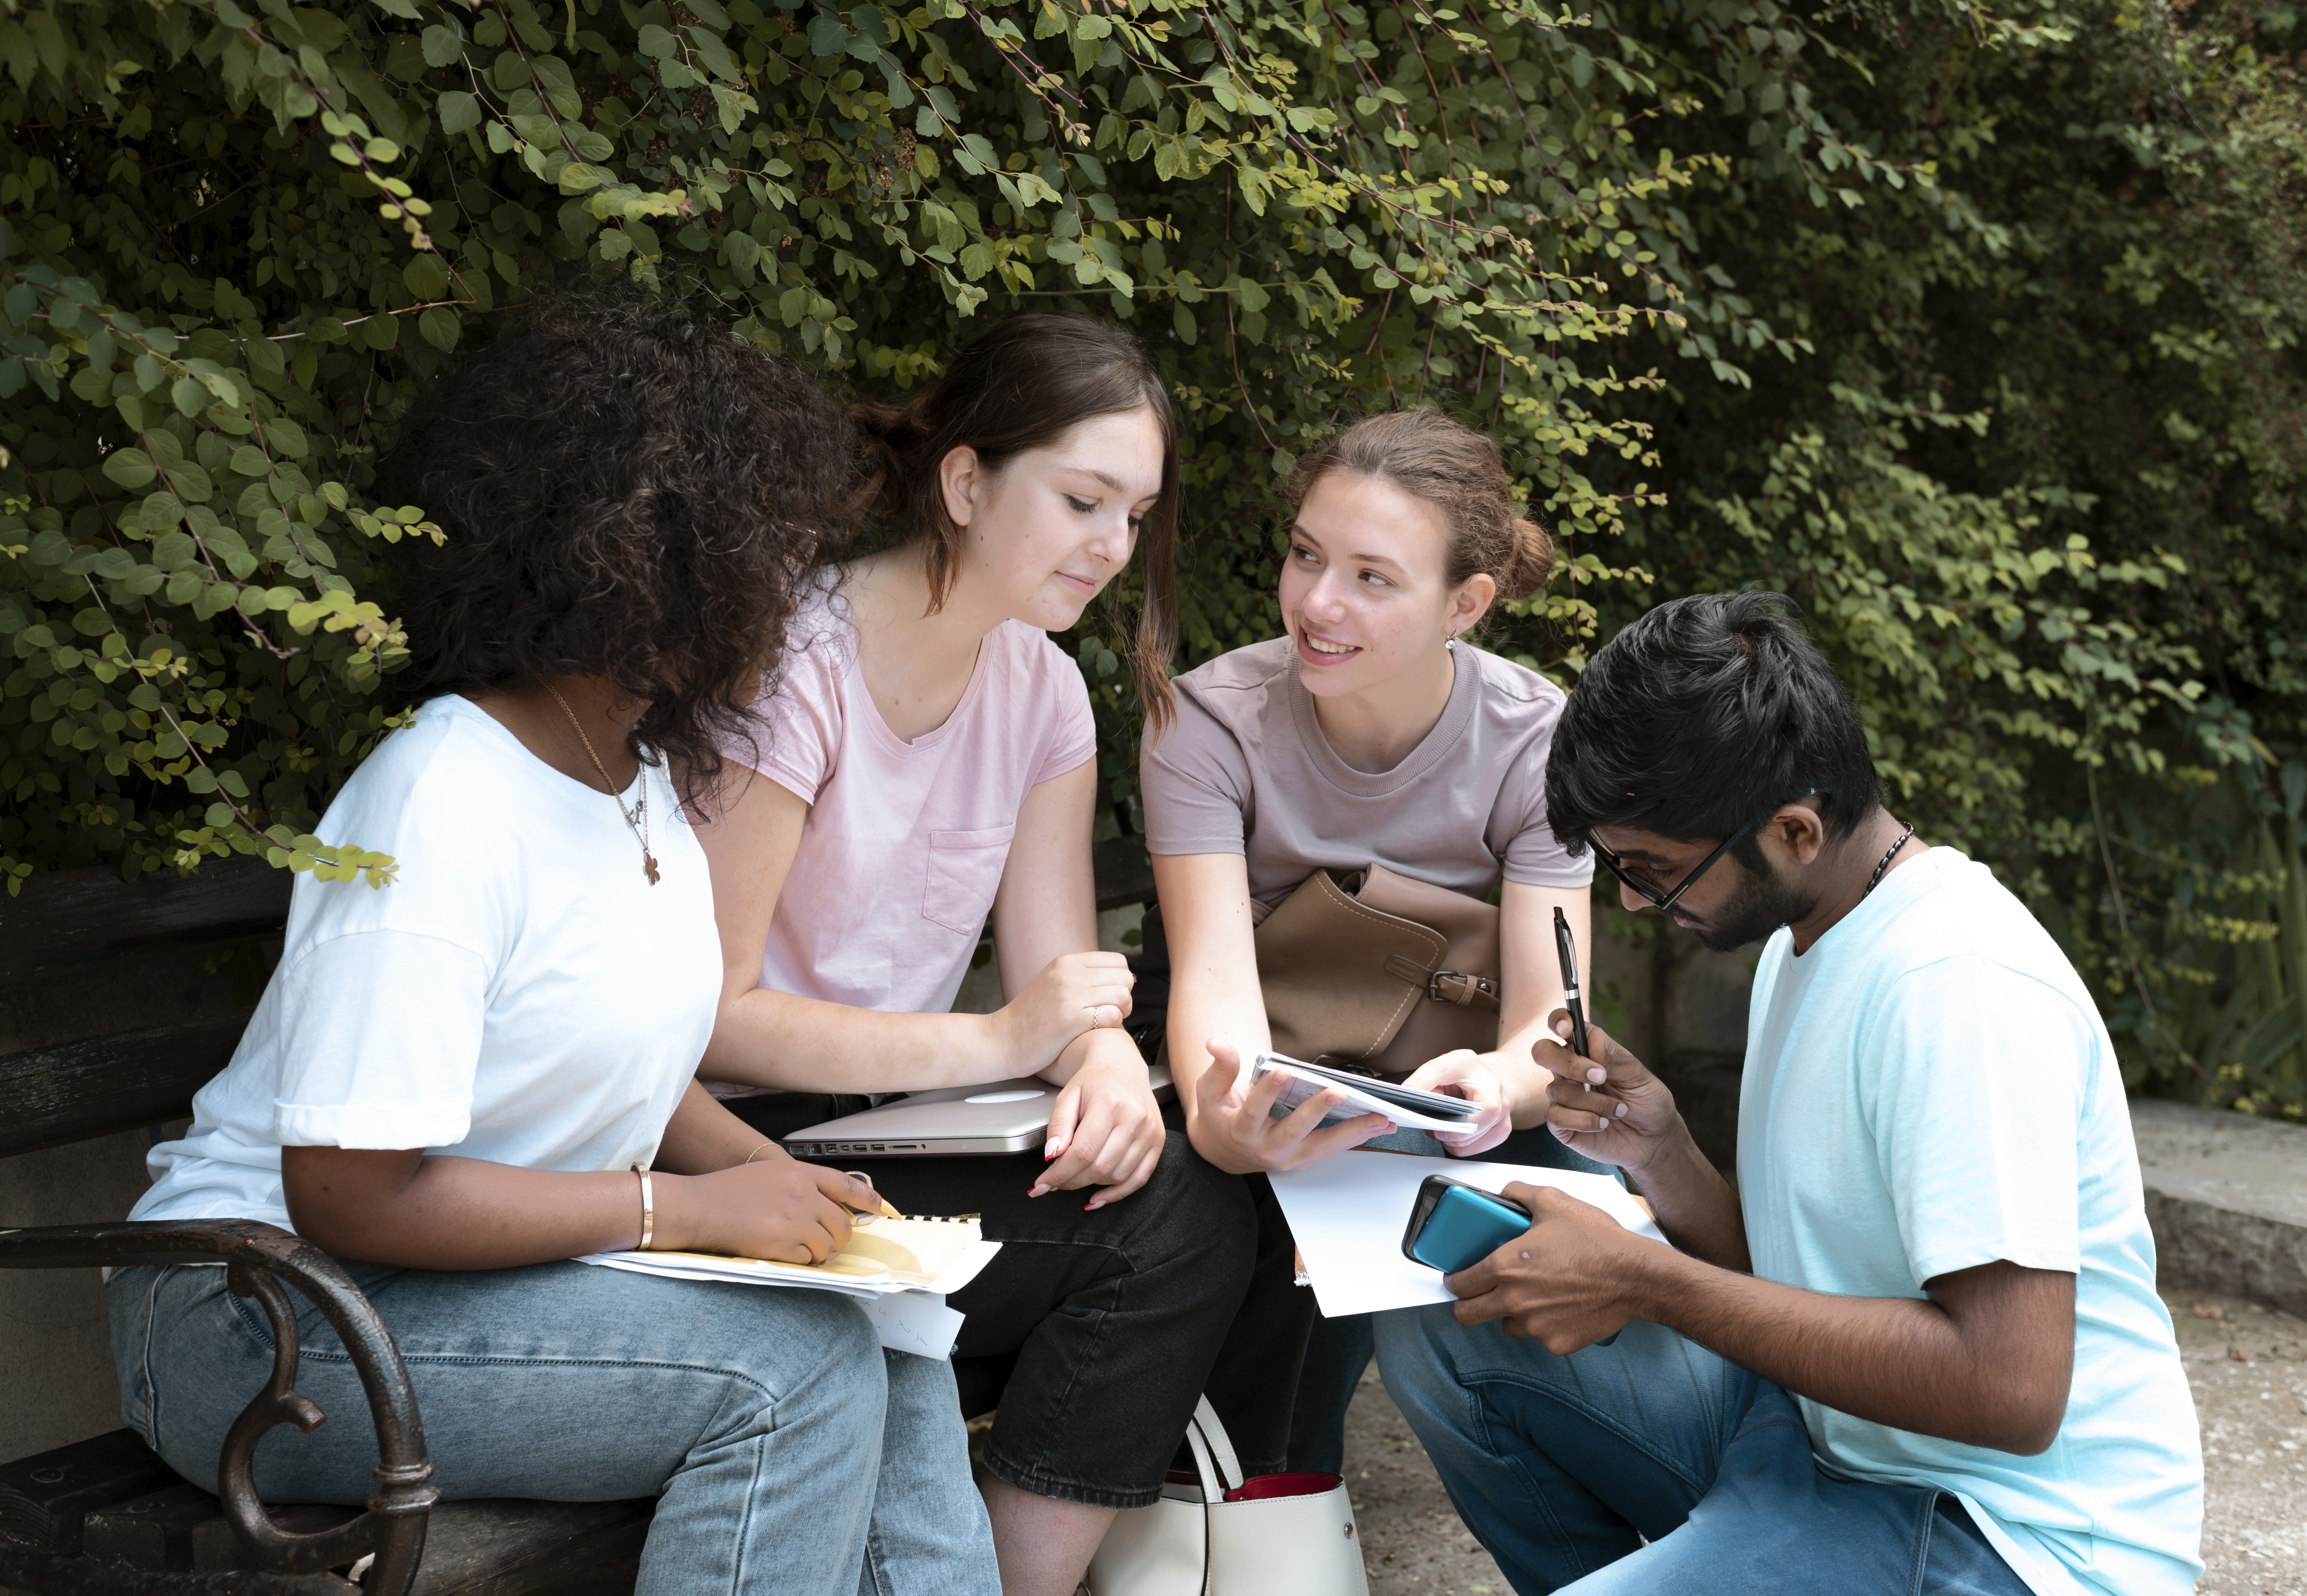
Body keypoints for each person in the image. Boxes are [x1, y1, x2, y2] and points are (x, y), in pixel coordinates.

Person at [107, 289, 999, 1596]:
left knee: (889, 1332)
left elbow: (622, 1061)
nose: (801, 608)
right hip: (261, 1321)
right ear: (659, 562)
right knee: (792, 1377)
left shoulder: (630, 774)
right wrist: (686, 1210)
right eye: (777, 564)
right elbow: (349, 1188)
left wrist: (815, 1208)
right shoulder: (441, 800)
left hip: (447, 1290)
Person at [1375, 591, 2205, 1596]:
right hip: (1829, 1451)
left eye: (1658, 870)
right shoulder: (1809, 939)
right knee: (1449, 1320)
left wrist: (1645, 1279)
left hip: (2007, 1536)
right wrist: (1665, 1154)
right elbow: (1806, 1281)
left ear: (1796, 829)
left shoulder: (1956, 985)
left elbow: (2011, 1387)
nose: (1637, 900)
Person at [692, 313, 1259, 1596]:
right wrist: (1004, 1040)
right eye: (1080, 500)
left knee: (1180, 1209)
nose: (1111, 547)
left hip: (892, 1133)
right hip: (724, 1144)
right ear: (962, 482)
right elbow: (708, 1013)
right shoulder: (795, 663)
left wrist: (1104, 1064)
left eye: (1133, 513)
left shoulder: (1043, 695)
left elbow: (1056, 973)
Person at [1137, 407, 1602, 1473]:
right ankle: (1268, 1507)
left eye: (1373, 578)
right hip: (1264, 1072)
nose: (1318, 603)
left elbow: (1555, 1022)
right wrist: (1230, 1127)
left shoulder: (1536, 745)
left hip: (1450, 1101)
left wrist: (1497, 1082)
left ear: (1467, 604)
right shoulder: (1210, 724)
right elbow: (1211, 990)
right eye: (1306, 556)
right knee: (1263, 1292)